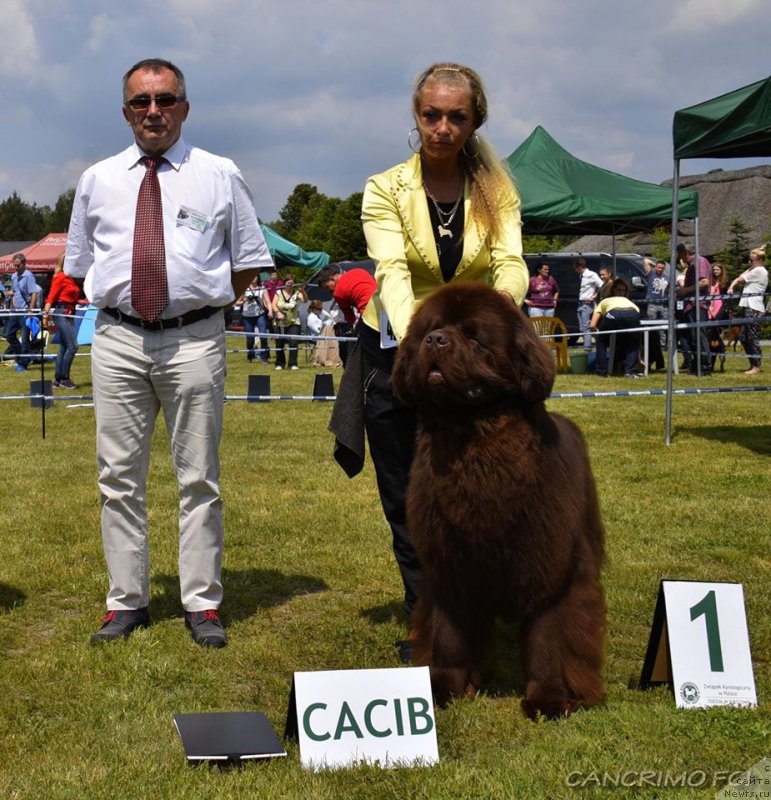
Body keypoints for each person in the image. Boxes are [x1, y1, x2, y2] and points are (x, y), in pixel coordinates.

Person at [64, 58, 274, 647]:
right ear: (125, 110)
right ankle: (125, 601)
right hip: (118, 339)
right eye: (140, 102)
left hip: (195, 339)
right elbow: (80, 267)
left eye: (164, 100)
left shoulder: (219, 173)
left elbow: (249, 260)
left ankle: (201, 604)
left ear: (184, 106)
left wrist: (200, 310)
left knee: (199, 477)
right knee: (117, 477)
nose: (152, 112)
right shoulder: (97, 180)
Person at [351, 62, 528, 630]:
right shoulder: (385, 189)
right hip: (400, 354)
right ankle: (426, 617)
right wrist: (421, 343)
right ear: (416, 115)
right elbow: (392, 270)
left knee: (480, 494)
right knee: (408, 498)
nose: (443, 128)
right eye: (432, 115)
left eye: (457, 117)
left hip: (477, 362)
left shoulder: (498, 191)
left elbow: (511, 264)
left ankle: (478, 608)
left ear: (475, 121)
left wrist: (488, 334)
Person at [727, 246, 768, 375]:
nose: (749, 263)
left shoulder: (760, 271)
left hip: (754, 308)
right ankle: (752, 364)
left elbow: (740, 279)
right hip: (747, 306)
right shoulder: (754, 269)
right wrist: (733, 284)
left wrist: (733, 285)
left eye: (751, 260)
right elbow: (740, 276)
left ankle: (756, 365)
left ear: (759, 260)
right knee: (744, 337)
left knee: (752, 337)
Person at [42, 254, 81, 388]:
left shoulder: (71, 278)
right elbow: (51, 298)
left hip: (70, 313)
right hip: (62, 313)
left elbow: (71, 297)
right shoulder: (60, 277)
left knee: (64, 347)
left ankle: (58, 380)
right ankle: (64, 378)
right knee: (73, 346)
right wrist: (45, 316)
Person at [589, 278, 641, 378]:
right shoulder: (630, 302)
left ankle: (601, 372)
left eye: (623, 290)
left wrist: (597, 336)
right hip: (633, 313)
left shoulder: (605, 301)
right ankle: (630, 372)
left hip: (613, 313)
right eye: (619, 290)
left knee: (601, 342)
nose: (621, 292)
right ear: (613, 290)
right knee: (634, 342)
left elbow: (592, 325)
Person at [676, 244, 711, 375]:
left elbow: (704, 282)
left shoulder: (699, 261)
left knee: (699, 336)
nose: (679, 258)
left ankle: (705, 366)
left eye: (680, 254)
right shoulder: (692, 265)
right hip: (691, 305)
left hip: (698, 305)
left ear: (684, 252)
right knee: (694, 337)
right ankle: (697, 366)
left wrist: (685, 290)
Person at [4, 254, 39, 371]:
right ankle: (23, 357)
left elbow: (34, 292)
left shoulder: (29, 276)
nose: (16, 268)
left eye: (18, 265)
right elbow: (14, 292)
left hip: (25, 311)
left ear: (24, 264)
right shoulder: (14, 276)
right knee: (8, 335)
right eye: (14, 265)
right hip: (15, 311)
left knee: (25, 339)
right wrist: (5, 293)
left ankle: (23, 363)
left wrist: (31, 310)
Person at [271, 274, 306, 370]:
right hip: (280, 323)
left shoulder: (296, 293)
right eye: (288, 283)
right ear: (285, 283)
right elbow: (273, 304)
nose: (290, 285)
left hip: (293, 322)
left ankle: (293, 363)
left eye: (292, 283)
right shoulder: (278, 293)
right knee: (279, 343)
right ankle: (279, 363)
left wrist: (303, 291)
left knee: (294, 342)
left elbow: (304, 300)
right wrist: (278, 313)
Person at [573, 258, 603, 352]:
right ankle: (595, 342)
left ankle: (587, 348)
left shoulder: (592, 275)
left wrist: (594, 296)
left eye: (575, 268)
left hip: (587, 304)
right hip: (580, 303)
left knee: (586, 326)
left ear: (579, 267)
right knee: (582, 327)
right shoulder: (581, 276)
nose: (575, 270)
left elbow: (602, 285)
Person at [239, 274, 269, 363]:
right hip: (247, 316)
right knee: (250, 339)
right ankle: (250, 355)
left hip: (260, 314)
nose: (253, 278)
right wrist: (245, 300)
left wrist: (270, 310)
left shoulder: (262, 288)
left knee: (263, 335)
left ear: (258, 278)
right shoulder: (244, 288)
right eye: (252, 276)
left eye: (255, 276)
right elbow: (236, 302)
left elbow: (267, 301)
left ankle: (264, 357)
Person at [707, 261, 729, 372]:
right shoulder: (710, 281)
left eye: (717, 269)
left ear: (721, 270)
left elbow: (726, 300)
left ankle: (721, 361)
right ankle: (711, 363)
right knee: (710, 338)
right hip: (710, 309)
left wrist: (721, 312)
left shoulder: (725, 282)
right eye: (714, 269)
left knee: (718, 337)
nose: (715, 271)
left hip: (720, 310)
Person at [306, 299, 341, 367]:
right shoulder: (311, 318)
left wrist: (329, 317)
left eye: (321, 308)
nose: (320, 310)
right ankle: (328, 358)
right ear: (313, 309)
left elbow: (330, 318)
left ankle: (334, 357)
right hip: (316, 336)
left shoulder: (321, 313)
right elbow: (319, 330)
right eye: (318, 309)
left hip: (326, 334)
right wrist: (327, 323)